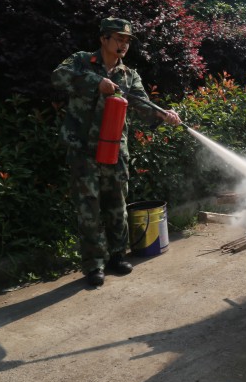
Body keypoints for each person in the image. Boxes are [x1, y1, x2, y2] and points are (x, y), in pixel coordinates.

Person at [52, 17, 182, 287]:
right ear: (104, 39)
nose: (123, 45)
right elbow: (58, 77)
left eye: (127, 41)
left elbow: (142, 105)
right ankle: (93, 265)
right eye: (119, 39)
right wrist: (95, 82)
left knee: (116, 207)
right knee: (88, 210)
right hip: (83, 150)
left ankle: (117, 256)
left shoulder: (129, 75)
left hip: (114, 151)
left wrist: (163, 115)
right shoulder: (81, 61)